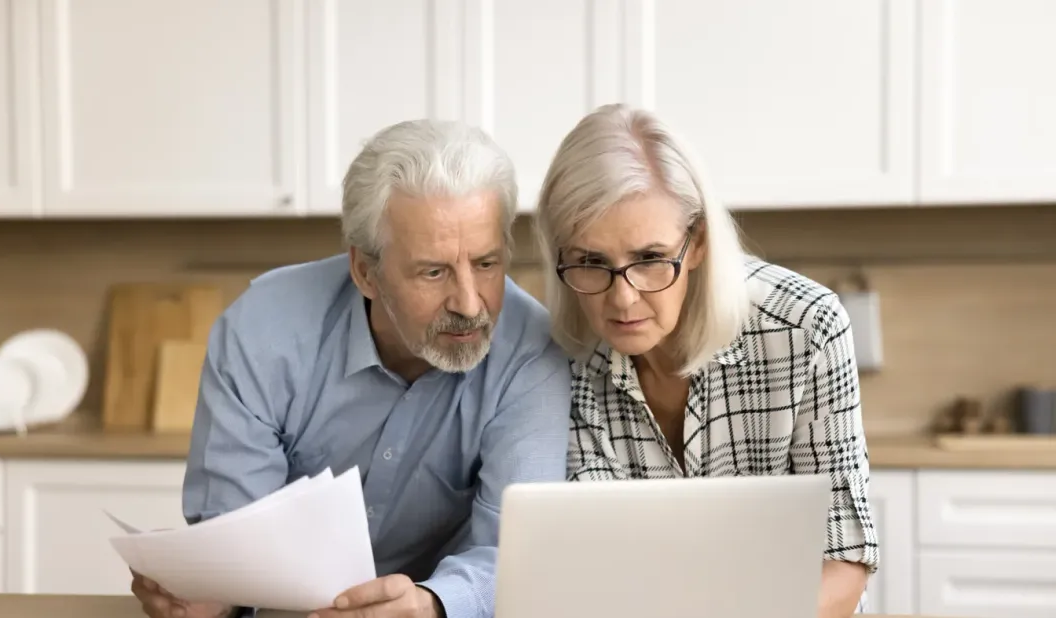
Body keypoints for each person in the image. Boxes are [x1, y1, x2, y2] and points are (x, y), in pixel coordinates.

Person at [130, 118, 572, 618]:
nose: (470, 304)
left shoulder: (532, 353)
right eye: (433, 271)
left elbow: (516, 556)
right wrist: (211, 592)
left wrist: (432, 604)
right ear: (365, 271)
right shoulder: (261, 332)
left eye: (487, 264)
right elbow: (234, 537)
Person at [532, 103, 879, 618]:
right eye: (590, 262)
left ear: (696, 242)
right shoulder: (562, 361)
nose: (622, 299)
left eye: (649, 259)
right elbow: (599, 571)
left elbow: (844, 557)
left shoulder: (806, 331)